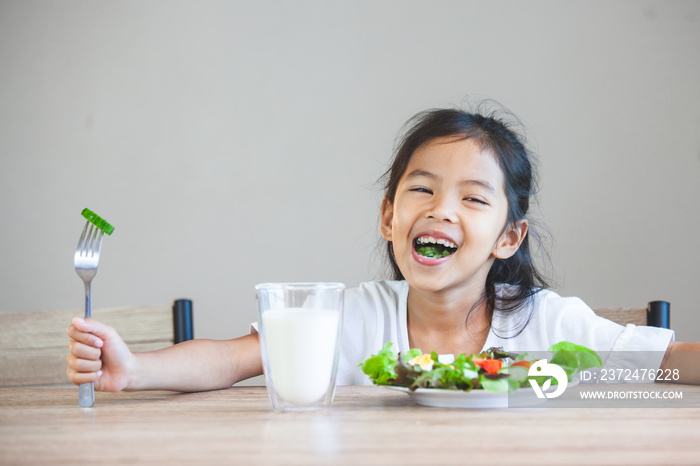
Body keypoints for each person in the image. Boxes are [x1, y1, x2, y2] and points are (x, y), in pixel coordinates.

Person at [66, 105, 699, 392]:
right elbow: (230, 360)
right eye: (421, 189)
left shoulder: (548, 322)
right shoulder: (349, 318)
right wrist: (138, 368)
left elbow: (670, 362)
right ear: (389, 217)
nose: (442, 208)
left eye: (474, 199)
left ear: (509, 238)